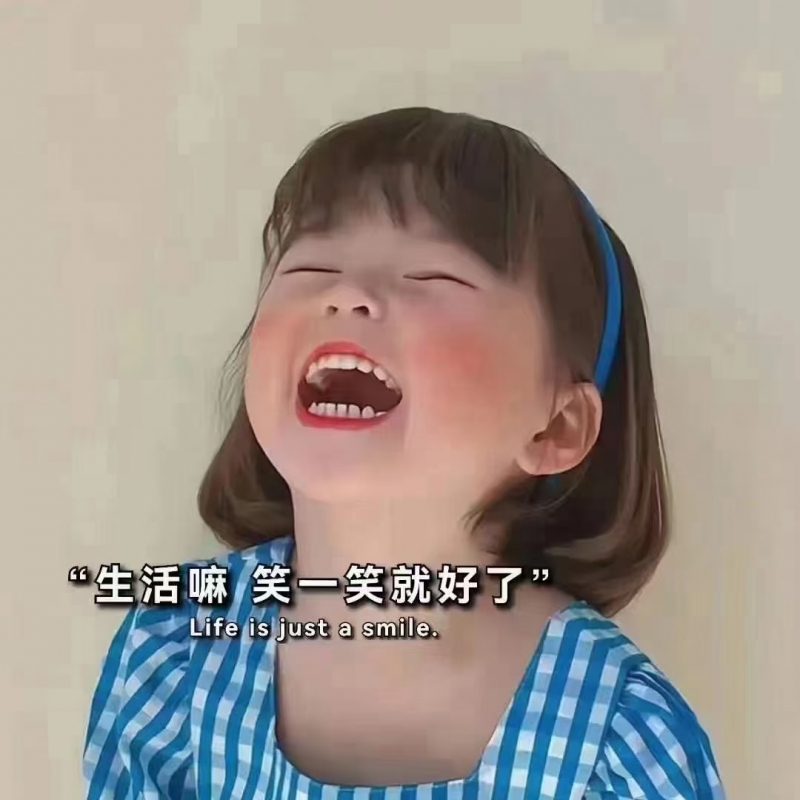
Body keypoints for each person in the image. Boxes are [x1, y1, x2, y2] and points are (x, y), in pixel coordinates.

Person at [83, 107, 725, 799]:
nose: (346, 293)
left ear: (557, 428)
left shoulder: (619, 736)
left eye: (431, 276)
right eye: (312, 263)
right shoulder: (176, 653)